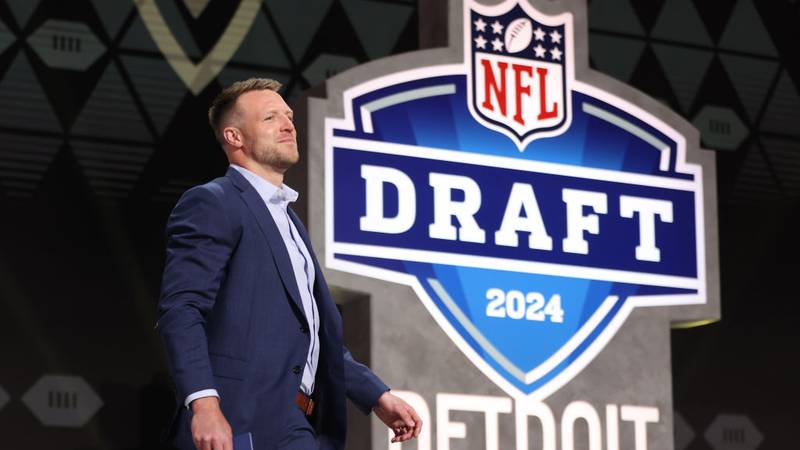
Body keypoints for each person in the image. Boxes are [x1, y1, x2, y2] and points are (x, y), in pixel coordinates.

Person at [157, 78, 422, 450]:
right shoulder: (213, 202)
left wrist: (377, 395)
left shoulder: (289, 220)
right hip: (237, 419)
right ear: (234, 137)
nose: (287, 124)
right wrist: (204, 405)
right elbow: (181, 309)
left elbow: (310, 335)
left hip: (296, 420)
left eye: (289, 116)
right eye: (270, 118)